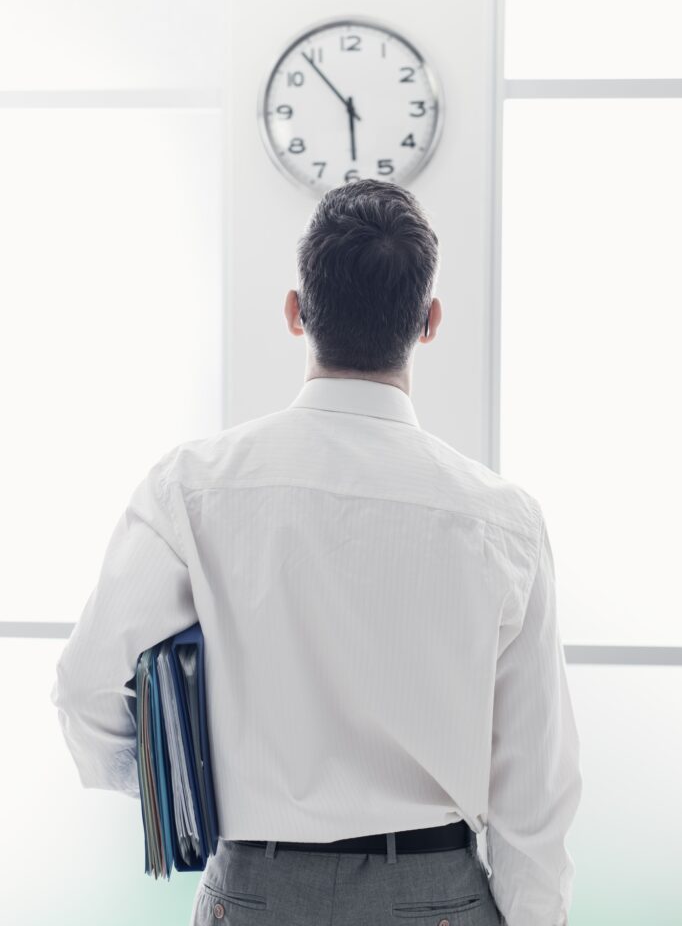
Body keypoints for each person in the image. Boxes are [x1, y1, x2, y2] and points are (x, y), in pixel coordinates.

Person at [50, 178, 582, 926]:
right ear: (428, 323)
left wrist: (186, 788)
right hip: (435, 896)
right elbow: (536, 790)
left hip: (256, 891)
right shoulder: (504, 521)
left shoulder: (192, 488)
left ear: (296, 311)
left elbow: (85, 690)